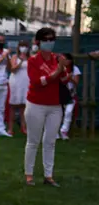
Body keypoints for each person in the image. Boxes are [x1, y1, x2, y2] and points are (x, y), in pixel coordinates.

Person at [24, 27, 68, 188]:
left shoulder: (58, 59)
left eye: (52, 39)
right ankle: (29, 174)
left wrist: (62, 70)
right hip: (36, 104)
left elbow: (64, 79)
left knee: (50, 141)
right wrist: (56, 72)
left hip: (55, 105)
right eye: (46, 39)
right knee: (33, 141)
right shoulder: (33, 61)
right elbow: (38, 81)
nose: (49, 43)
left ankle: (48, 175)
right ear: (38, 41)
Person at [8, 41, 30, 135]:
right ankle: (10, 128)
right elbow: (12, 69)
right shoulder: (15, 57)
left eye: (25, 46)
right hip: (16, 82)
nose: (23, 48)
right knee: (13, 106)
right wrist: (21, 61)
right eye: (22, 46)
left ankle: (23, 127)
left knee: (24, 106)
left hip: (26, 83)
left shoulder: (30, 57)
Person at [59, 53, 80, 140]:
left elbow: (76, 82)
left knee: (68, 112)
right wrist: (67, 77)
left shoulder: (75, 69)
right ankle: (56, 132)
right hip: (60, 93)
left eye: (66, 59)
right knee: (58, 113)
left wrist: (70, 78)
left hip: (71, 94)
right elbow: (59, 80)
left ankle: (64, 130)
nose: (65, 61)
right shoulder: (59, 68)